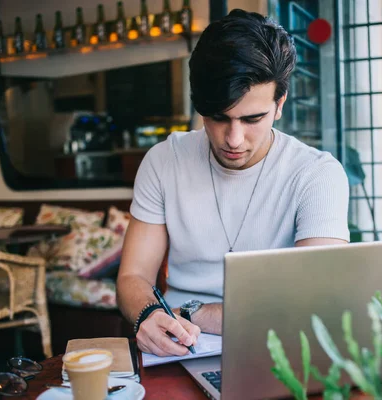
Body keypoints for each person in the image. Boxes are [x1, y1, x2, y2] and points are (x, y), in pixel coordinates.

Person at [116, 9, 350, 357]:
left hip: (278, 349)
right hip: (179, 348)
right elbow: (132, 276)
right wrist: (148, 314)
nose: (234, 139)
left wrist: (194, 313)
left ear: (279, 103)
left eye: (252, 118)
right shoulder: (165, 161)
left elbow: (312, 300)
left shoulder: (317, 174)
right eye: (218, 117)